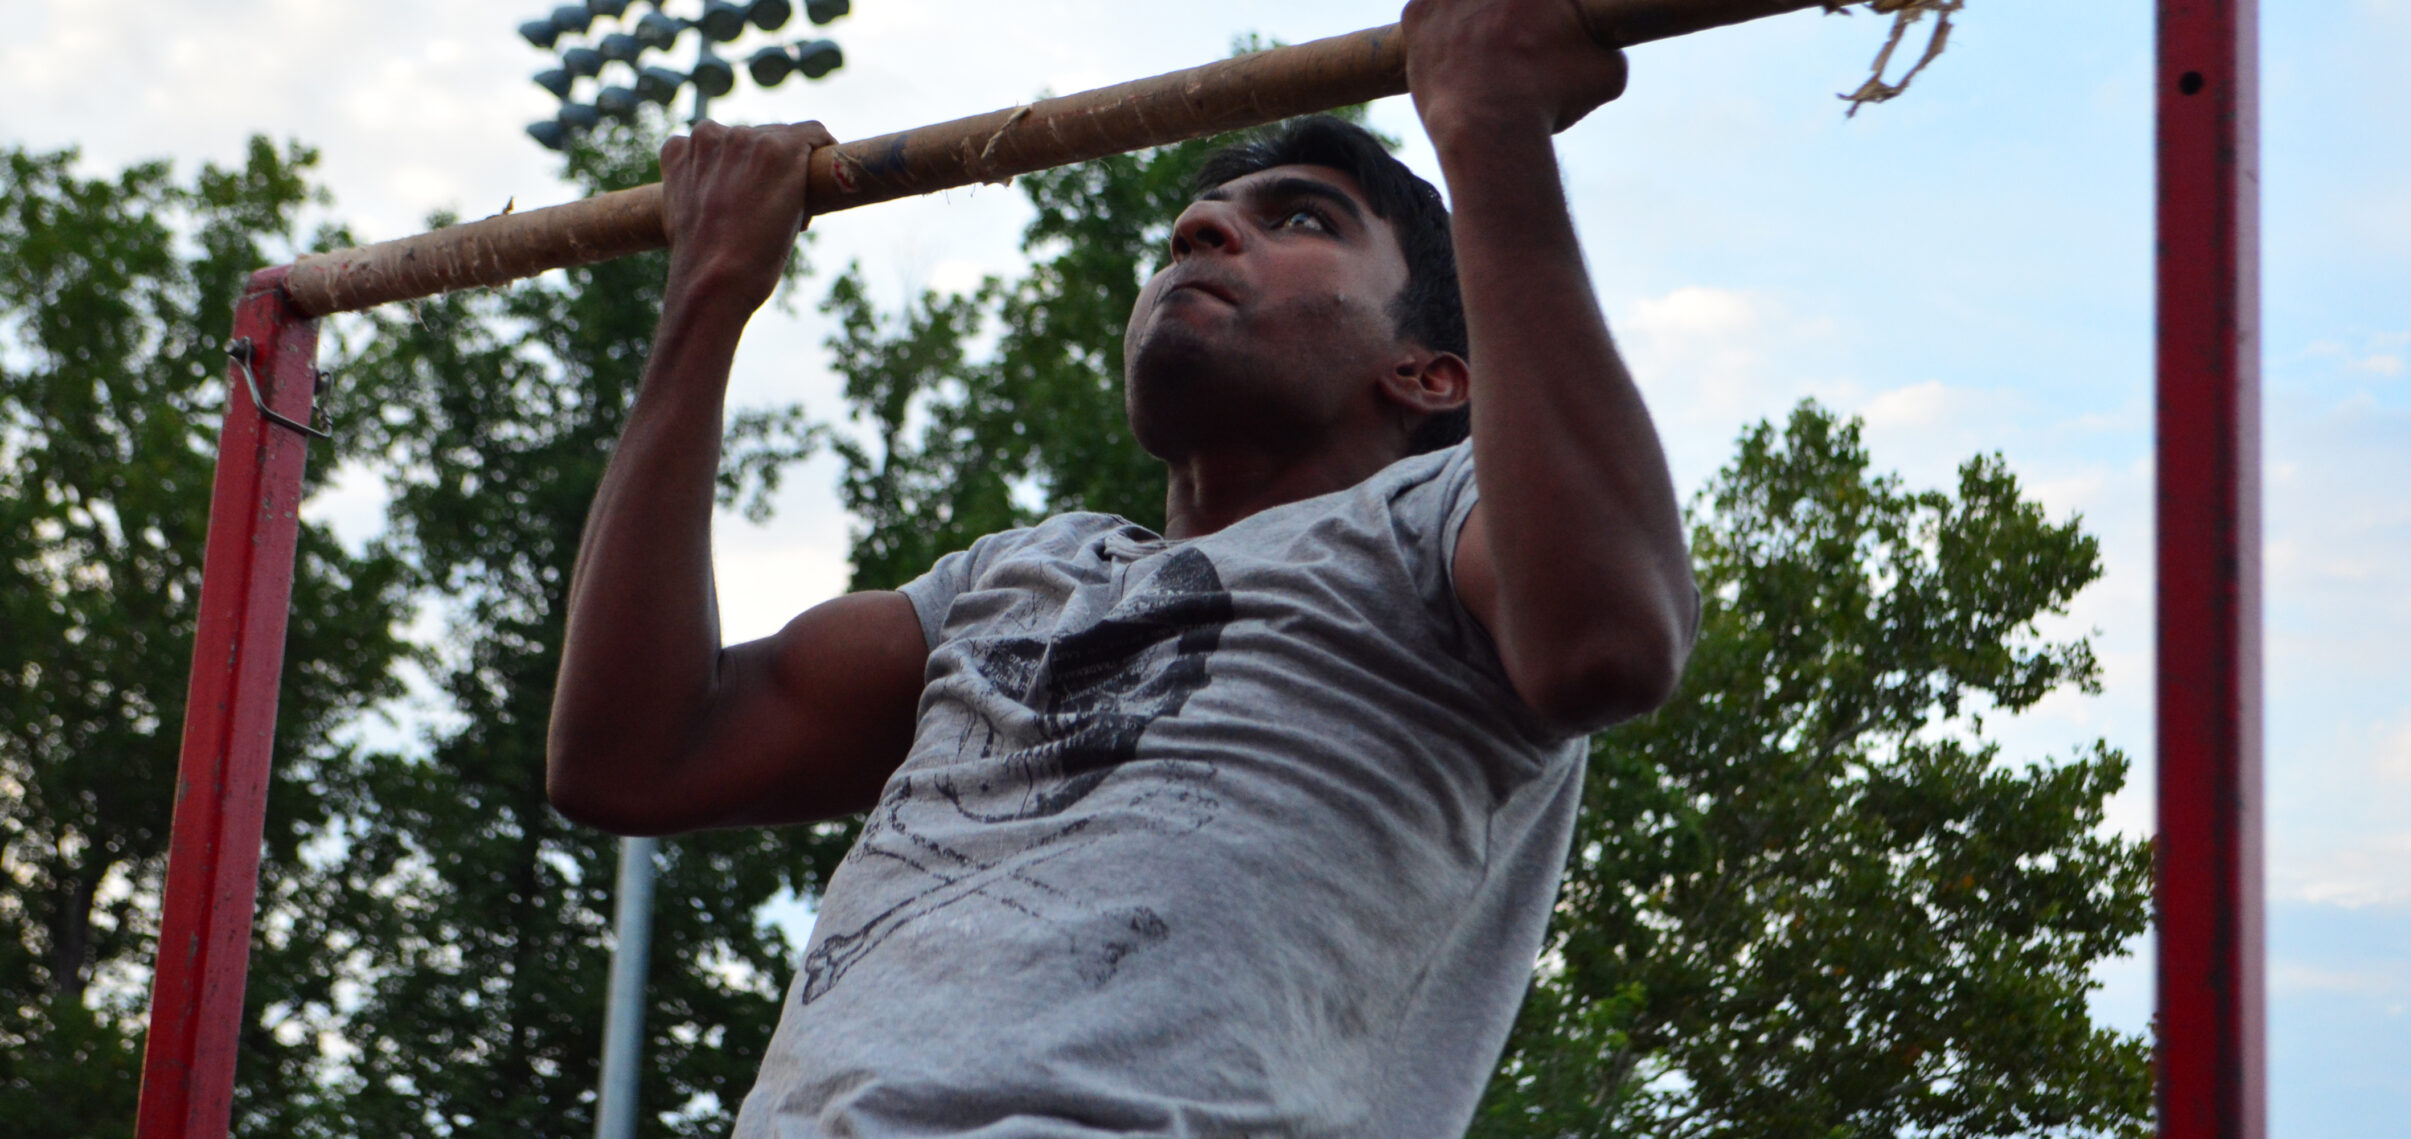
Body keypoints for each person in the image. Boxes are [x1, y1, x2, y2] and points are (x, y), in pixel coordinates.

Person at [546, 0, 1700, 1133]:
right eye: (1188, 227)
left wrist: (1490, 127)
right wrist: (707, 293)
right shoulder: (1016, 575)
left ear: (1430, 374)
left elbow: (1608, 638)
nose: (1198, 235)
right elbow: (633, 754)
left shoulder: (1441, 518)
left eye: (1301, 219)